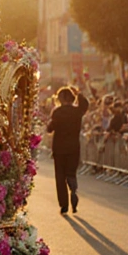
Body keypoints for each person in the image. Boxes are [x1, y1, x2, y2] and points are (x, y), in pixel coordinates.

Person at [46, 85, 89, 214]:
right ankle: (73, 189)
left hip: (59, 149)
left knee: (60, 177)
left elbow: (50, 129)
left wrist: (49, 124)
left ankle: (64, 204)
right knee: (71, 172)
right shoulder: (77, 112)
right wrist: (79, 93)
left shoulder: (57, 112)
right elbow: (85, 104)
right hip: (73, 147)